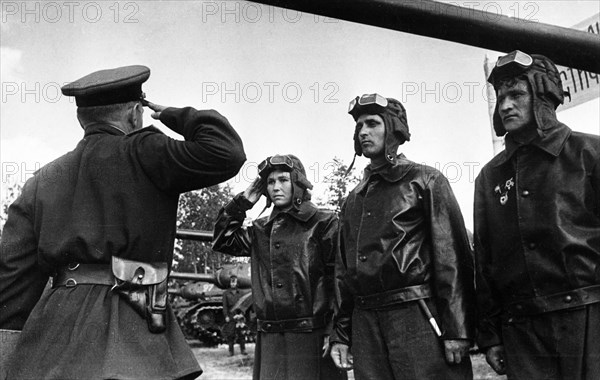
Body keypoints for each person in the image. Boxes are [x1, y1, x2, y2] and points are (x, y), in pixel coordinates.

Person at [0, 65, 246, 379]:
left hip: (54, 335)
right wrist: (172, 114)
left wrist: (10, 355)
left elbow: (12, 279)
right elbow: (227, 152)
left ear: (81, 119)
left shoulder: (42, 180)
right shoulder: (145, 152)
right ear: (134, 114)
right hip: (131, 324)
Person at [329, 94, 475, 380]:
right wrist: (341, 334)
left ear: (393, 127)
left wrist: (457, 328)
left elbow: (453, 258)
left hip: (417, 314)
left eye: (372, 123)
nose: (363, 132)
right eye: (359, 126)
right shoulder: (353, 200)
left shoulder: (425, 180)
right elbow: (343, 273)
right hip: (367, 323)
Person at [474, 50, 600, 379]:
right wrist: (490, 336)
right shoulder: (490, 177)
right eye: (500, 97)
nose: (504, 106)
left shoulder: (590, 154)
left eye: (516, 94)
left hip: (588, 317)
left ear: (542, 95)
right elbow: (484, 262)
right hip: (522, 329)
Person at [213, 154, 347, 380]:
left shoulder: (323, 222)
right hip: (270, 337)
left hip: (311, 335)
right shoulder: (260, 229)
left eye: (283, 180)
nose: (276, 187)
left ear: (298, 182)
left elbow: (340, 280)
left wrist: (336, 332)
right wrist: (243, 202)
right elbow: (222, 240)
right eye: (270, 182)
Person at [222, 275, 247, 356]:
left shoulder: (241, 293)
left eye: (234, 282)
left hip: (239, 315)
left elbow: (244, 305)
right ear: (230, 283)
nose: (233, 284)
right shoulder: (226, 293)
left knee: (241, 334)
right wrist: (226, 316)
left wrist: (242, 314)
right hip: (231, 315)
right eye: (231, 282)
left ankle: (243, 350)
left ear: (236, 283)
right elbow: (225, 306)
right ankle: (231, 351)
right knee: (230, 334)